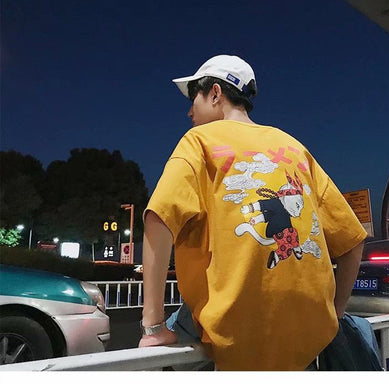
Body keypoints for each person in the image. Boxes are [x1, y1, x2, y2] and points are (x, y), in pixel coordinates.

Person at [138, 54, 366, 371]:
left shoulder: (199, 141)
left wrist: (153, 327)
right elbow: (353, 241)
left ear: (215, 93)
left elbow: (159, 218)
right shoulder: (294, 147)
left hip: (235, 333)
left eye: (193, 99)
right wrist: (335, 314)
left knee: (167, 345)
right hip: (308, 335)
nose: (189, 111)